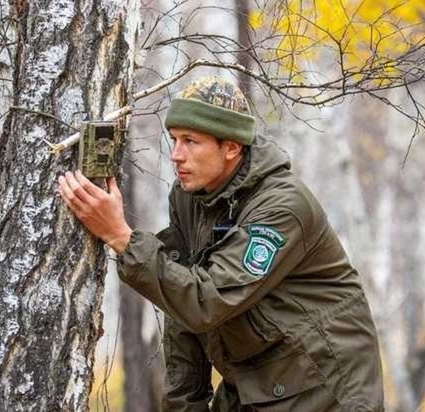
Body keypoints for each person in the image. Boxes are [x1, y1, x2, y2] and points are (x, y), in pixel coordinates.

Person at [58, 76, 384, 411]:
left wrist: (120, 237)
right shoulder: (189, 197)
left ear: (231, 147)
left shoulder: (283, 207)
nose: (176, 155)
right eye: (174, 140)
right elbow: (181, 312)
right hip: (256, 380)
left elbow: (205, 300)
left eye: (190, 141)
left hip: (324, 385)